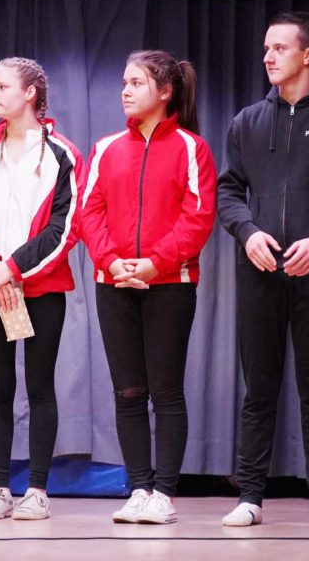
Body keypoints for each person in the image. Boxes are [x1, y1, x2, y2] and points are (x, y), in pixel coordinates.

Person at [217, 12, 309, 530]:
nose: (268, 56)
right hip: (259, 270)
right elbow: (229, 190)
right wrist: (247, 232)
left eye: (279, 48)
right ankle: (250, 496)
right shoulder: (247, 121)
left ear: (308, 54)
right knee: (258, 391)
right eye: (266, 48)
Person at [80, 49, 216, 525]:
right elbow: (89, 212)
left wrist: (155, 264)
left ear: (165, 91)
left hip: (170, 285)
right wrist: (112, 261)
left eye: (136, 83)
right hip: (114, 282)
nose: (125, 91)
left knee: (166, 391)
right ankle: (138, 488)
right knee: (128, 392)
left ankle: (164, 493)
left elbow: (198, 217)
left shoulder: (191, 148)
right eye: (124, 82)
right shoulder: (105, 149)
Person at [0, 57, 83, 521]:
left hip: (40, 287)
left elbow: (64, 228)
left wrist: (14, 268)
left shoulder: (61, 154)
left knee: (40, 386)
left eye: (2, 86)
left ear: (30, 93)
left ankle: (38, 490)